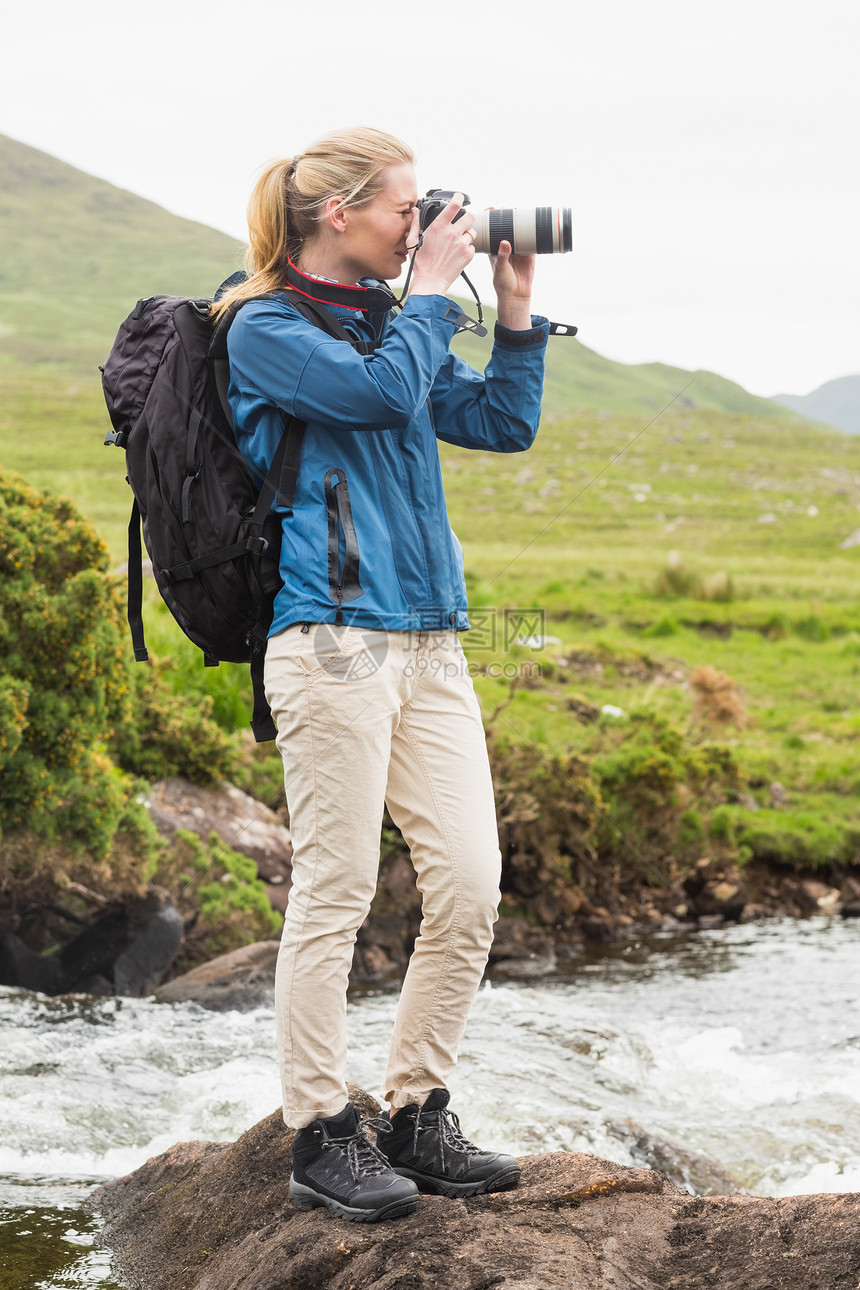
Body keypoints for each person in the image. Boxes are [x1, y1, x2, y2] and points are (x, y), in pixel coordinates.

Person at [214, 126, 549, 1223]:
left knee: (470, 879)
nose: (424, 227)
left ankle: (417, 1111)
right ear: (341, 212)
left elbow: (500, 422)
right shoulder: (264, 326)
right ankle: (320, 1130)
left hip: (432, 642)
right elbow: (368, 398)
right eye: (409, 209)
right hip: (331, 641)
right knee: (337, 890)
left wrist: (505, 309)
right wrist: (434, 296)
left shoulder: (385, 326)